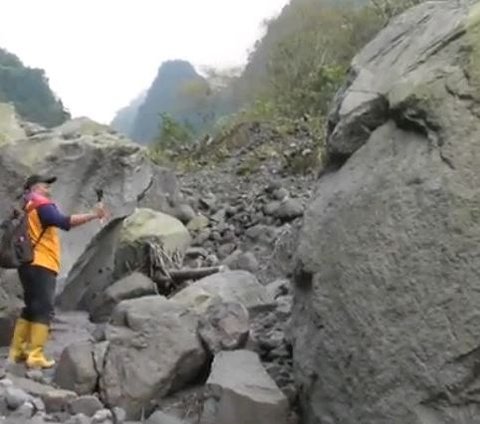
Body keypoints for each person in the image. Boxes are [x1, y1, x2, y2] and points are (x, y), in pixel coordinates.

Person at [7, 174, 107, 369]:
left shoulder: (25, 206)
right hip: (42, 263)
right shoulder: (42, 205)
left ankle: (17, 351)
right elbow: (65, 222)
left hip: (26, 264)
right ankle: (35, 355)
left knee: (31, 307)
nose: (48, 189)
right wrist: (94, 215)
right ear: (35, 188)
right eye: (45, 185)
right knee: (44, 308)